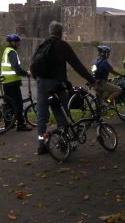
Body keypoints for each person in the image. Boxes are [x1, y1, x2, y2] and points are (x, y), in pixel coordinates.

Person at [32, 21, 97, 155]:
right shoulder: (62, 45)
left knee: (41, 116)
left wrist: (39, 79)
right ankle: (63, 143)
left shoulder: (42, 45)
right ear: (60, 33)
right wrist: (91, 80)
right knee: (61, 111)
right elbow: (77, 65)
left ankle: (41, 145)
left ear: (50, 32)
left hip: (41, 83)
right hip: (55, 84)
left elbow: (33, 65)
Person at [1, 34, 32, 131]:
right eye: (17, 42)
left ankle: (8, 123)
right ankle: (21, 125)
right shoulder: (12, 52)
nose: (18, 44)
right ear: (12, 42)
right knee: (18, 103)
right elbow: (16, 68)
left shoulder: (6, 51)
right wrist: (25, 73)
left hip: (6, 81)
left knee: (9, 103)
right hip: (12, 82)